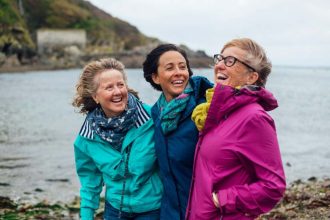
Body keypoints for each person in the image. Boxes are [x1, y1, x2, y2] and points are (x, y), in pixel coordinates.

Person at [186, 38, 286, 220]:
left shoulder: (254, 118)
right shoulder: (215, 112)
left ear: (252, 77)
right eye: (220, 59)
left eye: (230, 61)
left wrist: (220, 200)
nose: (220, 66)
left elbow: (273, 187)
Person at [72, 58, 163, 220]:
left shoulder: (152, 119)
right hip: (115, 211)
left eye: (120, 85)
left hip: (153, 209)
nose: (117, 92)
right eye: (109, 87)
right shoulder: (87, 138)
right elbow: (89, 184)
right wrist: (86, 216)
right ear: (95, 97)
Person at [143, 44, 213, 219]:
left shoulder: (205, 110)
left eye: (183, 67)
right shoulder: (156, 113)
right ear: (155, 77)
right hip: (170, 212)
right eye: (169, 68)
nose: (179, 72)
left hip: (204, 212)